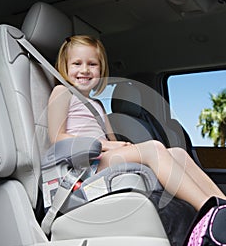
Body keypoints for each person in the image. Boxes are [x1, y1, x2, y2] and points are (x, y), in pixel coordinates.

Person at [48, 35, 226, 211]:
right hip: (83, 165)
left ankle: (222, 204)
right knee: (154, 149)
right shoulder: (62, 92)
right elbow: (57, 138)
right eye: (77, 63)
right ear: (65, 67)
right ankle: (206, 209)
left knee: (178, 153)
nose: (85, 70)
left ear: (101, 70)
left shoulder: (97, 105)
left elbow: (112, 139)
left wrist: (120, 146)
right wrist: (106, 145)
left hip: (102, 159)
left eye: (92, 64)